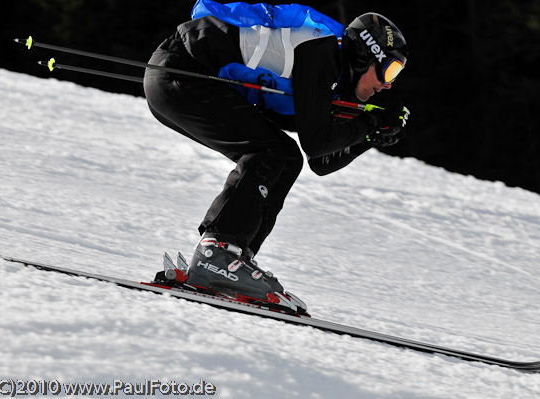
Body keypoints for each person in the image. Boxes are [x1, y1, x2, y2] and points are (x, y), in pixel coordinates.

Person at [143, 0, 409, 312]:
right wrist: (370, 123)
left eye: (397, 73)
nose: (388, 84)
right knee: (267, 150)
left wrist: (369, 137)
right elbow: (317, 143)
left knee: (286, 157)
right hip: (179, 72)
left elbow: (319, 163)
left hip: (181, 81)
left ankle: (233, 259)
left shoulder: (336, 80)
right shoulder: (323, 51)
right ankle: (217, 254)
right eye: (389, 69)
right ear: (365, 56)